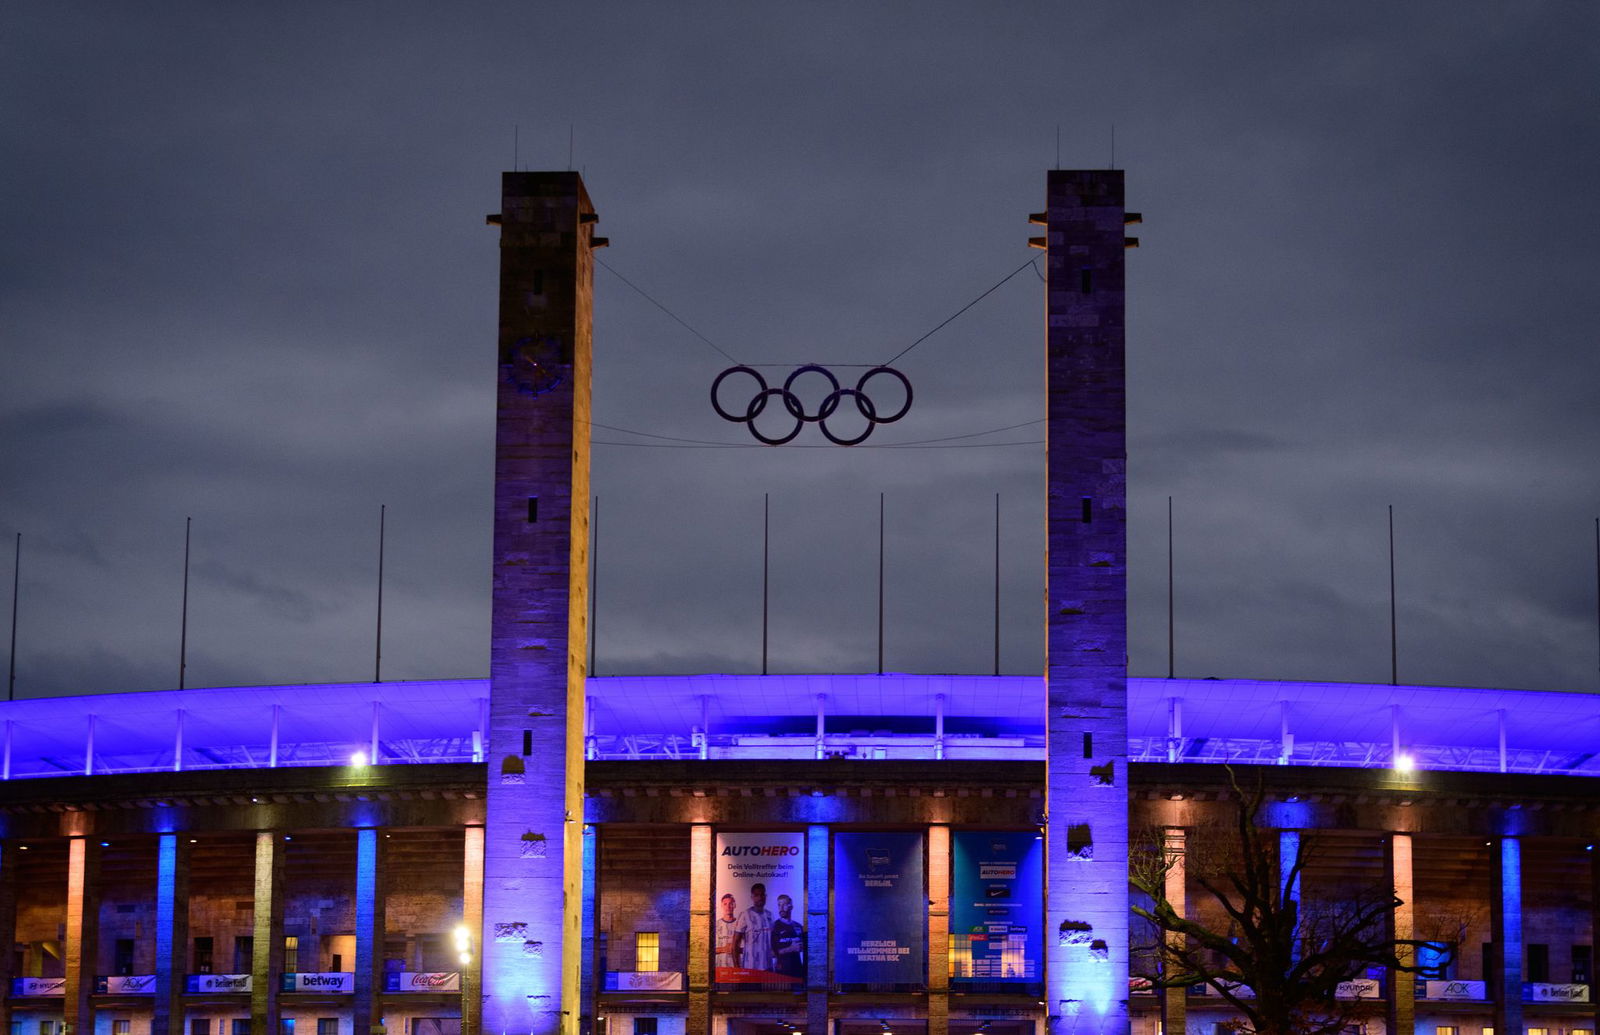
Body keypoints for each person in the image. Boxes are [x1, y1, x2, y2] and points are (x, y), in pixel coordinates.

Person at [735, 882, 775, 972]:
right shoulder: (745, 915)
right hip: (750, 967)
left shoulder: (770, 915)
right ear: (752, 897)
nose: (760, 898)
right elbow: (735, 943)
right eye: (756, 895)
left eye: (762, 895)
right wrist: (737, 969)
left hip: (768, 967)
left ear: (765, 896)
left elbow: (773, 941)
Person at [770, 893, 805, 979]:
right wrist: (790, 949)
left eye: (784, 905)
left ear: (791, 907)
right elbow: (770, 953)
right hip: (781, 972)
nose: (781, 908)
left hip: (798, 971)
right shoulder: (774, 927)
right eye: (779, 905)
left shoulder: (799, 926)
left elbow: (804, 947)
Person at [714, 893, 739, 973]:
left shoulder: (741, 924)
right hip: (720, 971)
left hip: (737, 970)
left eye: (730, 904)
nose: (728, 907)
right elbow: (707, 950)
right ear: (721, 905)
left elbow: (748, 949)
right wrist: (723, 949)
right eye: (725, 904)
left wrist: (734, 948)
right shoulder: (716, 925)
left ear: (734, 905)